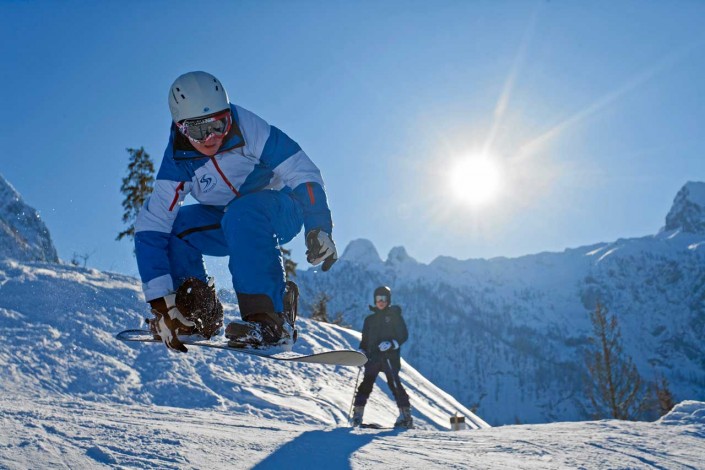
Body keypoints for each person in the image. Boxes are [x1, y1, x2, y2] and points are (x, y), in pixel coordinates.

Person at [134, 71, 337, 353]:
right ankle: (195, 314)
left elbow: (303, 171)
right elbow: (151, 227)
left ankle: (269, 319)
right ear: (181, 128)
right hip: (229, 220)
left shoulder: (249, 128)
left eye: (219, 124)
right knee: (175, 229)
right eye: (198, 131)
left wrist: (318, 226)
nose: (211, 138)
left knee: (244, 211)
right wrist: (161, 303)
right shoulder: (177, 164)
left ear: (228, 114)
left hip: (281, 208)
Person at [352, 286, 413, 428]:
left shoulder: (394, 316)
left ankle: (405, 416)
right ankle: (357, 416)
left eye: (384, 299)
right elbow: (365, 339)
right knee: (365, 385)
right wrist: (362, 351)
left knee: (395, 385)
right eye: (378, 298)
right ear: (375, 300)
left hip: (389, 357)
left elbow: (403, 335)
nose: (381, 301)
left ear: (388, 300)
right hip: (373, 357)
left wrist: (392, 344)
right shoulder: (369, 320)